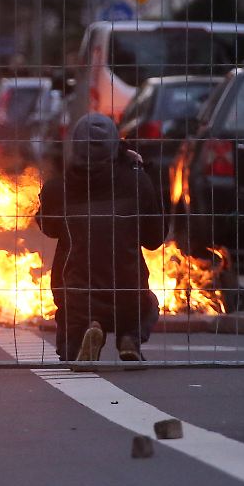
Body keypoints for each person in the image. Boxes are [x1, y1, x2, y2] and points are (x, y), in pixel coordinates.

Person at [35, 113, 165, 363]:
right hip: (128, 295)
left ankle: (84, 333)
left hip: (76, 296)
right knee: (149, 304)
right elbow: (154, 238)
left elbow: (49, 228)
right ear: (115, 146)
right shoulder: (137, 182)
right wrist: (137, 168)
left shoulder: (58, 188)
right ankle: (130, 336)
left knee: (69, 328)